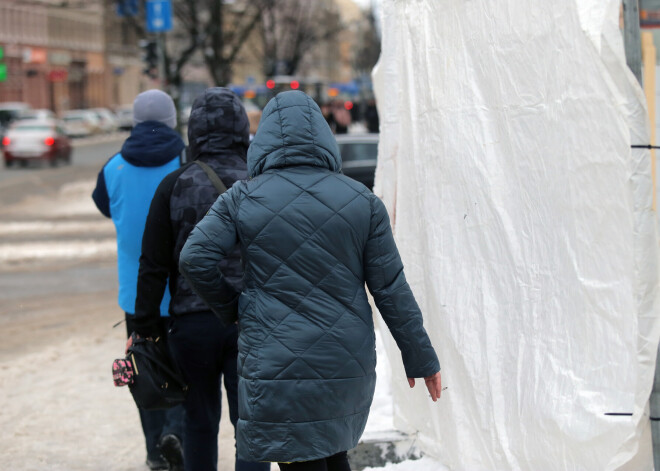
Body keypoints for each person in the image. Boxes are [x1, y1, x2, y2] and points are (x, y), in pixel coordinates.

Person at [179, 90, 442, 470]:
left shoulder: (242, 198)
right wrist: (420, 355)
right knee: (332, 455)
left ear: (263, 139)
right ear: (323, 136)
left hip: (274, 362)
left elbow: (194, 257)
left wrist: (233, 307)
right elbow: (390, 287)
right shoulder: (362, 201)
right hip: (344, 361)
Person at [130, 87, 270, 471]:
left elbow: (153, 264)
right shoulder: (260, 183)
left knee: (199, 423)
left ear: (194, 132)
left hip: (192, 323)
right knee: (252, 427)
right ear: (242, 129)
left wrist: (144, 326)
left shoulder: (174, 185)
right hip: (252, 324)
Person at [91, 89, 185, 471]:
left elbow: (103, 205)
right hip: (182, 291)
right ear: (172, 120)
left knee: (143, 371)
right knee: (184, 370)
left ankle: (154, 450)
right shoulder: (186, 160)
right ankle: (177, 434)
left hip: (135, 295)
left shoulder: (113, 167)